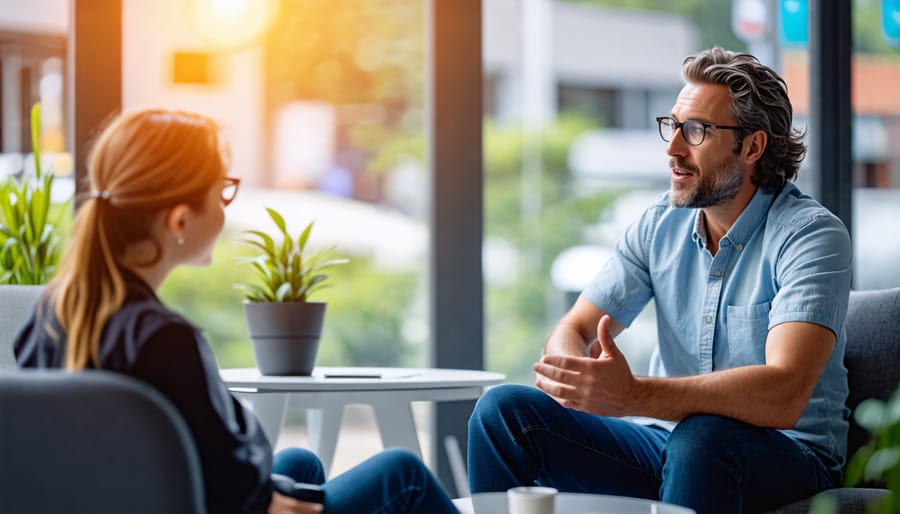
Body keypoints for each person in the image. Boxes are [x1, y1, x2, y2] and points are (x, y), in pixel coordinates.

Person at [14, 108, 459, 514]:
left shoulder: (46, 319)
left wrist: (265, 491)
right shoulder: (164, 341)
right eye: (222, 191)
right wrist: (262, 498)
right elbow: (233, 482)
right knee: (404, 476)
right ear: (180, 221)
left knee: (299, 464)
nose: (227, 206)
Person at [468, 47, 852, 514]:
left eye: (696, 131)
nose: (672, 148)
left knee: (703, 437)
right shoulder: (658, 225)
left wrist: (631, 395)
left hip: (787, 454)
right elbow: (576, 328)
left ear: (752, 147)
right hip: (668, 445)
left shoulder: (810, 235)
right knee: (503, 414)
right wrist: (580, 377)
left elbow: (783, 394)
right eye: (672, 126)